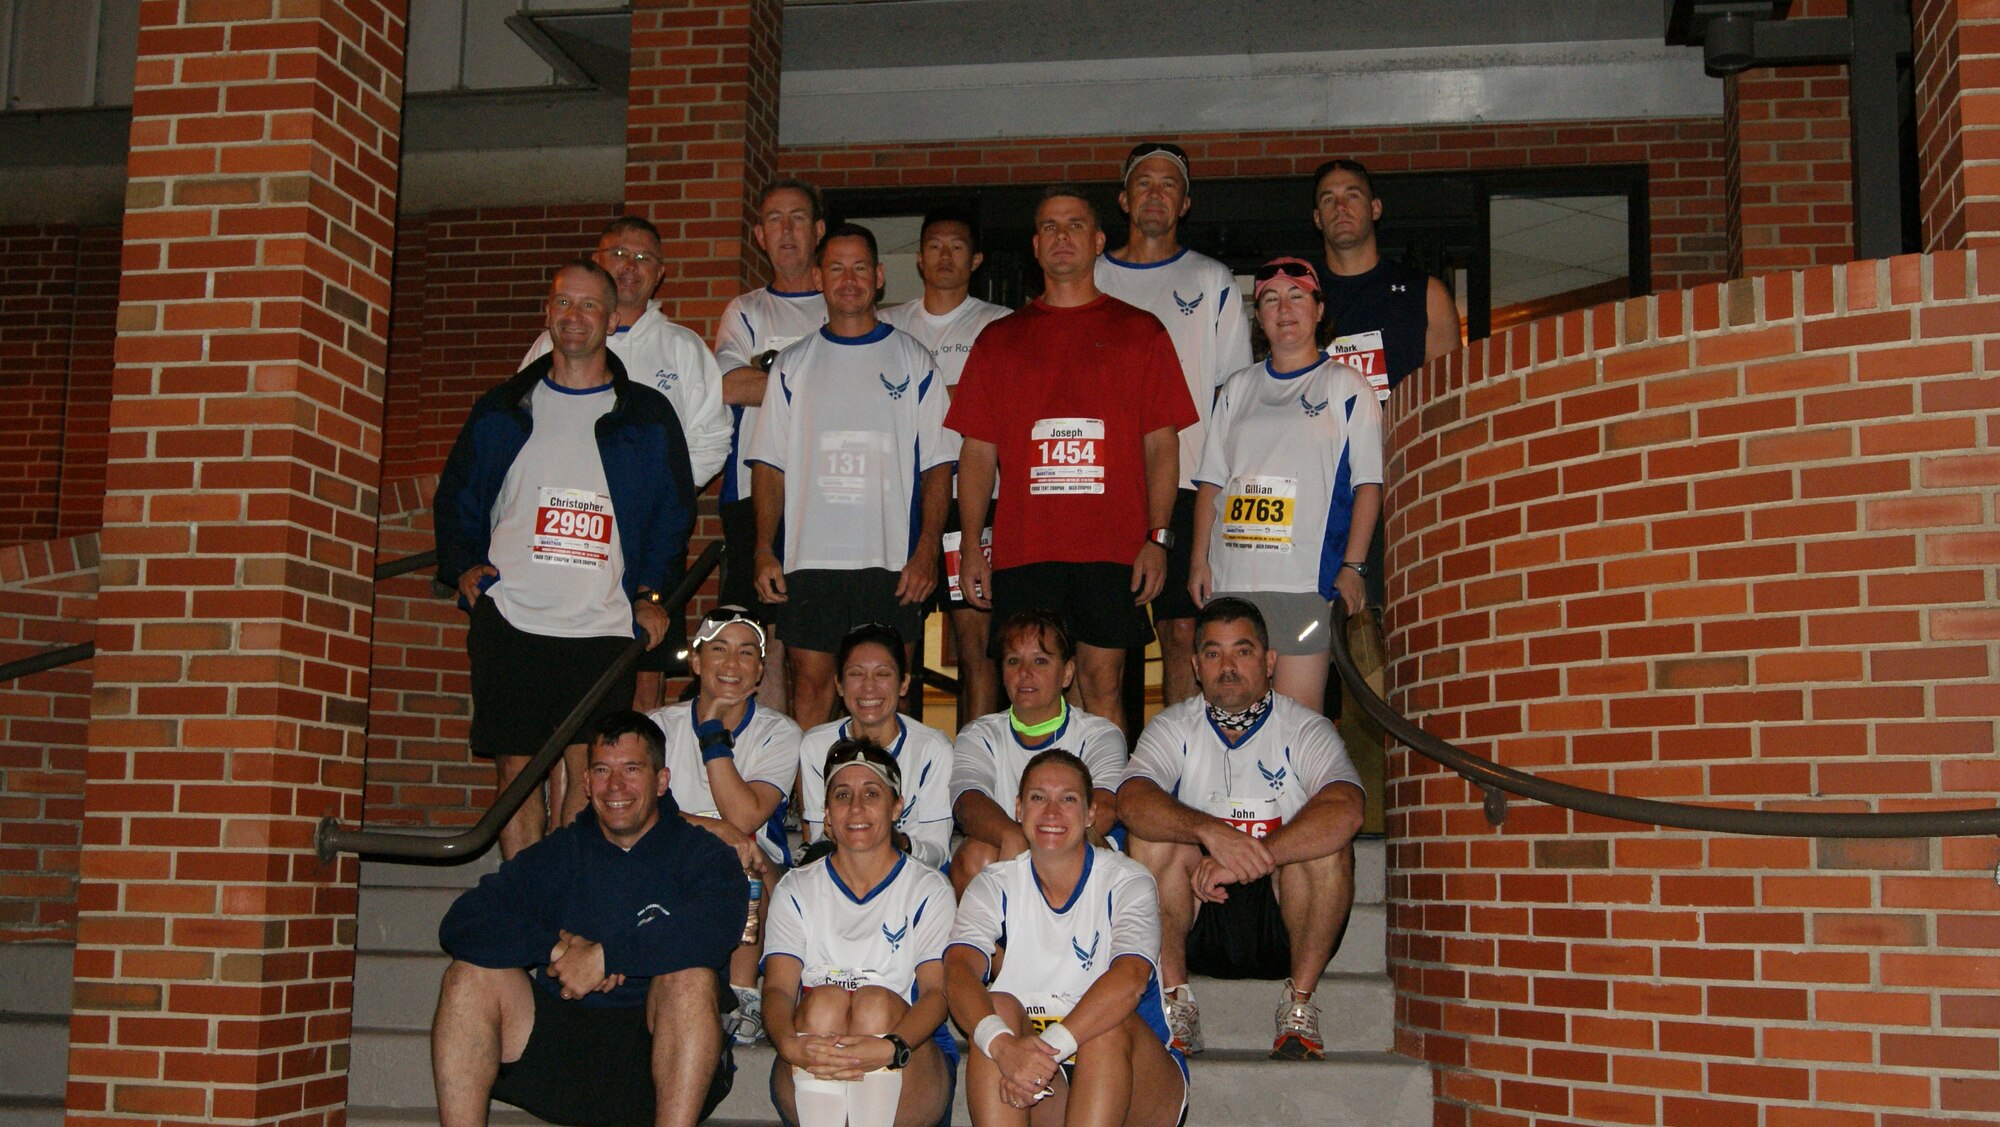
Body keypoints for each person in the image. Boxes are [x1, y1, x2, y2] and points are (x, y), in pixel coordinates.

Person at [434, 259, 697, 859]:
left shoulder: (647, 415)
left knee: (592, 775)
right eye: (561, 303)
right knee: (517, 771)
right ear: (547, 313)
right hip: (513, 620)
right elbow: (459, 495)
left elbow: (671, 515)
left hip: (603, 625)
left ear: (610, 319)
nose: (573, 316)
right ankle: (528, 911)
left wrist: (652, 595)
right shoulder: (503, 408)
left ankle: (573, 910)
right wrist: (464, 564)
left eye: (587, 306)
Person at [947, 186, 1198, 737]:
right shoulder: (998, 340)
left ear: (1099, 241)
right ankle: (1038, 814)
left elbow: (1163, 444)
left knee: (1102, 686)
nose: (1063, 237)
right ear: (1036, 246)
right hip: (1024, 550)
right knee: (1030, 694)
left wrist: (1158, 539)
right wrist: (972, 547)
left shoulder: (1142, 332)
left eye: (1076, 225)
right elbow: (977, 453)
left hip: (1112, 546)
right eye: (1051, 227)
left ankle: (1104, 813)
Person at [432, 711, 745, 1127]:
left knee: (691, 979)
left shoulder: (704, 855)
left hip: (662, 1061)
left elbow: (712, 930)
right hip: (563, 1051)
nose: (615, 786)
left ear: (661, 780)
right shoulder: (560, 854)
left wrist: (606, 957)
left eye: (631, 769)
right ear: (586, 782)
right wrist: (557, 950)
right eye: (602, 770)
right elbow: (464, 921)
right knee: (466, 976)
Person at [1115, 598, 1366, 1061]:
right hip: (1194, 917)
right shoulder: (1173, 725)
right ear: (1195, 665)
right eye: (1213, 653)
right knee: (1151, 835)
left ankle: (1299, 1009)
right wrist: (1212, 834)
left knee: (1327, 846)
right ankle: (1175, 1002)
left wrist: (1253, 856)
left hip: (1283, 921)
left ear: (1270, 662)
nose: (1227, 667)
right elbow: (1130, 799)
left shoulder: (1304, 727)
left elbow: (1347, 808)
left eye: (1242, 651)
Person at [523, 215, 733, 711]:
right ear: (597, 261)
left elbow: (712, 438)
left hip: (645, 537)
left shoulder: (682, 348)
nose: (630, 266)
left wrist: (656, 495)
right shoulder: (550, 344)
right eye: (618, 254)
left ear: (659, 274)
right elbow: (519, 435)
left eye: (643, 259)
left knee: (643, 671)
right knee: (563, 673)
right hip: (565, 532)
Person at [749, 222, 954, 731]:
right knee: (812, 695)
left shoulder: (914, 360)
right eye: (836, 267)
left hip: (891, 563)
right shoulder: (792, 365)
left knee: (889, 699)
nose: (848, 279)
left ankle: (892, 808)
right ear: (819, 277)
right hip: (809, 561)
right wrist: (763, 547)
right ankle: (812, 811)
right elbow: (769, 466)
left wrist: (927, 549)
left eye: (860, 267)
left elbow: (938, 466)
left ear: (880, 276)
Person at [945, 750, 1188, 1127]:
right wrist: (1004, 1047)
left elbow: (1130, 980)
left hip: (1134, 1074)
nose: (1052, 812)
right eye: (1038, 798)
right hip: (1046, 1079)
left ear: (1091, 813)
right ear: (1019, 809)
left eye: (1068, 799)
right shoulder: (994, 884)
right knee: (997, 1009)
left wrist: (1041, 1053)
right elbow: (958, 969)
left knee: (1106, 1028)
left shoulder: (1127, 880)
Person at [1095, 142, 1252, 712]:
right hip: (1103, 489)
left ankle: (1179, 770)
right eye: (1143, 183)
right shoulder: (1090, 276)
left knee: (1184, 635)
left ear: (1184, 202)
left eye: (1168, 185)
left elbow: (1235, 392)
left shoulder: (1212, 280)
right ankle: (1107, 779)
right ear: (1123, 199)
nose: (1155, 194)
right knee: (1102, 646)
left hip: (1187, 483)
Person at [1188, 257, 1383, 710]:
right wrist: (1198, 559)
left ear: (1318, 309)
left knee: (1297, 723)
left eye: (1297, 296)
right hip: (1232, 581)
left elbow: (1369, 485)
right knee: (1232, 718)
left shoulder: (1347, 387)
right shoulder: (1237, 387)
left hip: (1303, 584)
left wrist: (1353, 568)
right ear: (1259, 317)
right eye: (1271, 300)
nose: (1284, 308)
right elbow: (1211, 484)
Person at [763, 739, 958, 1127]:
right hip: (816, 1044)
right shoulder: (796, 888)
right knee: (824, 1003)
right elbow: (779, 990)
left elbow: (937, 994)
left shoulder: (929, 888)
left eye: (871, 793)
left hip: (906, 1052)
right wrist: (788, 1044)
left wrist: (890, 1048)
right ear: (827, 814)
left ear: (895, 807)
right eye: (842, 795)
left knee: (873, 1005)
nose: (856, 808)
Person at [646, 604, 802, 1046]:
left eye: (747, 653)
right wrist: (710, 828)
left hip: (755, 862)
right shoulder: (658, 726)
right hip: (672, 853)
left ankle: (743, 995)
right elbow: (638, 814)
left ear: (760, 672)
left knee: (742, 858)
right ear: (696, 661)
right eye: (719, 650)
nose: (732, 665)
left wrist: (712, 730)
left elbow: (746, 816)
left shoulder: (780, 731)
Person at [880, 207, 1012, 723]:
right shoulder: (889, 323)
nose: (945, 256)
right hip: (901, 500)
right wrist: (957, 395)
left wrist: (920, 396)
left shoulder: (998, 324)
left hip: (975, 498)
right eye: (934, 245)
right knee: (896, 646)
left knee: (975, 640)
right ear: (918, 256)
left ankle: (973, 770)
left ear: (975, 259)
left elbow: (996, 402)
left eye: (957, 247)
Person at [1311, 156, 1458, 614]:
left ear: (1375, 208)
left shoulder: (1423, 293)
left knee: (1393, 630)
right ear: (1317, 218)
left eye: (1352, 195)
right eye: (1328, 200)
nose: (1341, 207)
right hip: (1323, 490)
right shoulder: (1300, 299)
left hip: (1401, 489)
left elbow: (1447, 403)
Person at [715, 179, 831, 713]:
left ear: (819, 230)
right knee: (758, 641)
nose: (787, 230)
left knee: (817, 648)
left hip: (831, 498)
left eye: (799, 217)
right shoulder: (746, 311)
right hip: (754, 494)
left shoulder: (843, 302)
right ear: (760, 235)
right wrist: (824, 382)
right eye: (775, 220)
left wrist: (774, 375)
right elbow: (730, 386)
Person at [948, 610, 1126, 897]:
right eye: (1013, 661)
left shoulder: (1100, 734)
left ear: (1067, 672)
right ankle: (993, 944)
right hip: (1008, 854)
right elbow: (967, 803)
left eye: (1040, 660)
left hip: (1077, 847)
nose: (1024, 673)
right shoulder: (978, 734)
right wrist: (1011, 835)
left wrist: (1035, 844)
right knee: (975, 854)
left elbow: (1102, 810)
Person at [798, 624, 955, 873]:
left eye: (882, 674)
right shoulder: (816, 745)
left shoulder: (932, 749)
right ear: (839, 684)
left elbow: (937, 852)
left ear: (904, 683)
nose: (868, 687)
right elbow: (821, 839)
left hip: (912, 877)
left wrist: (889, 838)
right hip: (843, 874)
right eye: (856, 674)